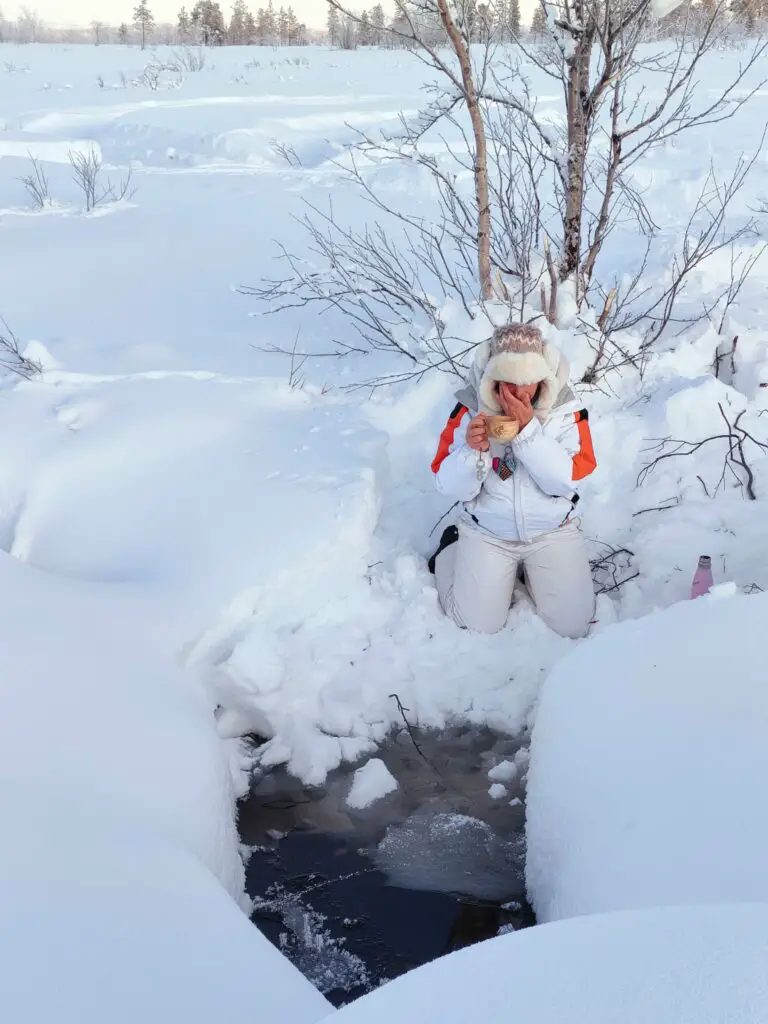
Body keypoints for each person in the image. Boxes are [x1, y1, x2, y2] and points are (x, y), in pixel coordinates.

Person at [429, 323, 596, 638]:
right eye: (506, 382)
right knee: (476, 624)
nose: (518, 393)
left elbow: (566, 481)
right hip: (489, 532)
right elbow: (447, 485)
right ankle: (451, 550)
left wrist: (528, 431)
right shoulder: (468, 410)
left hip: (552, 530)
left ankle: (530, 573)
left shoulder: (567, 411)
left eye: (527, 382)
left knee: (573, 625)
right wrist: (471, 452)